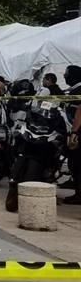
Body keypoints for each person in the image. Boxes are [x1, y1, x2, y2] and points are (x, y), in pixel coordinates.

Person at [63, 65, 81, 205]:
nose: (65, 76)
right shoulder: (73, 90)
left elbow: (79, 112)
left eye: (66, 74)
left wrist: (74, 132)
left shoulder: (78, 91)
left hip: (78, 130)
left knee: (76, 163)